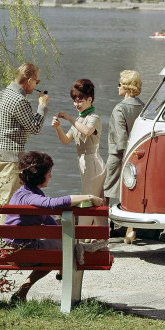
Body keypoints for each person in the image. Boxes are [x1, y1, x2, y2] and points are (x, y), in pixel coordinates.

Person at [5, 151, 104, 302]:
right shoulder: (30, 197)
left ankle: (26, 289)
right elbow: (52, 204)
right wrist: (88, 197)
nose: (50, 175)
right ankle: (64, 283)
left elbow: (49, 220)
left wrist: (61, 232)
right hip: (24, 253)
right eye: (49, 172)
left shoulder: (21, 193)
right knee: (66, 248)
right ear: (40, 176)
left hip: (12, 250)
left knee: (61, 244)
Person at [0, 63, 49, 221]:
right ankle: (4, 243)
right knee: (7, 204)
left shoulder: (1, 94)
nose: (36, 85)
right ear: (29, 81)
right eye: (37, 81)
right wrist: (42, 106)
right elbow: (34, 128)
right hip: (10, 158)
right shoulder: (20, 100)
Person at [52, 79, 106, 227]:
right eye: (75, 101)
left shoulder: (93, 117)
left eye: (80, 101)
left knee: (88, 200)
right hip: (85, 162)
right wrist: (58, 128)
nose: (77, 104)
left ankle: (84, 235)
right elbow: (66, 140)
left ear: (90, 100)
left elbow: (88, 131)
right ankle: (98, 235)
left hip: (92, 161)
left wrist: (69, 118)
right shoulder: (79, 119)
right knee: (95, 199)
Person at [104, 70, 144, 244]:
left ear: (126, 88)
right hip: (138, 155)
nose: (117, 87)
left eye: (119, 84)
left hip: (117, 155)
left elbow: (121, 140)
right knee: (131, 191)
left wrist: (122, 152)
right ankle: (130, 230)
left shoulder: (120, 108)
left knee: (105, 190)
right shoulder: (143, 107)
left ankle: (102, 227)